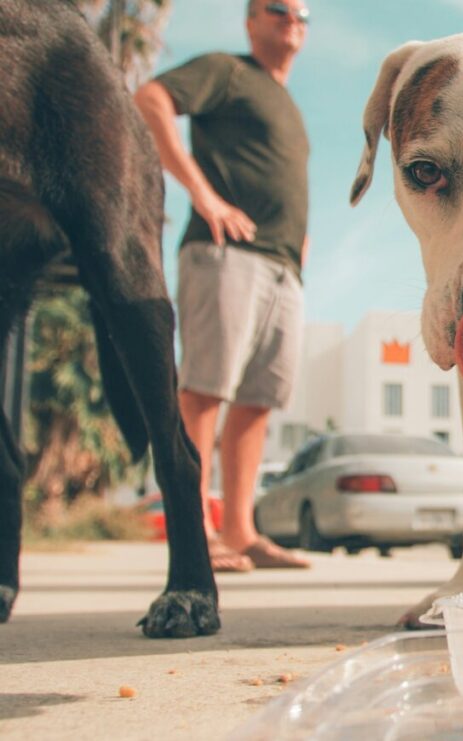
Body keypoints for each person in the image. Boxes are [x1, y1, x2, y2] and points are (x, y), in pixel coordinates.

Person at [135, 0, 314, 571]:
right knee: (206, 390)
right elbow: (151, 100)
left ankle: (240, 531)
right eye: (277, 9)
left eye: (302, 13)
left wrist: (299, 246)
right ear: (251, 21)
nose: (292, 18)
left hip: (283, 267)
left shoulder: (284, 100)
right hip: (226, 254)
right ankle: (195, 532)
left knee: (260, 401)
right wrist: (202, 194)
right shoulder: (229, 70)